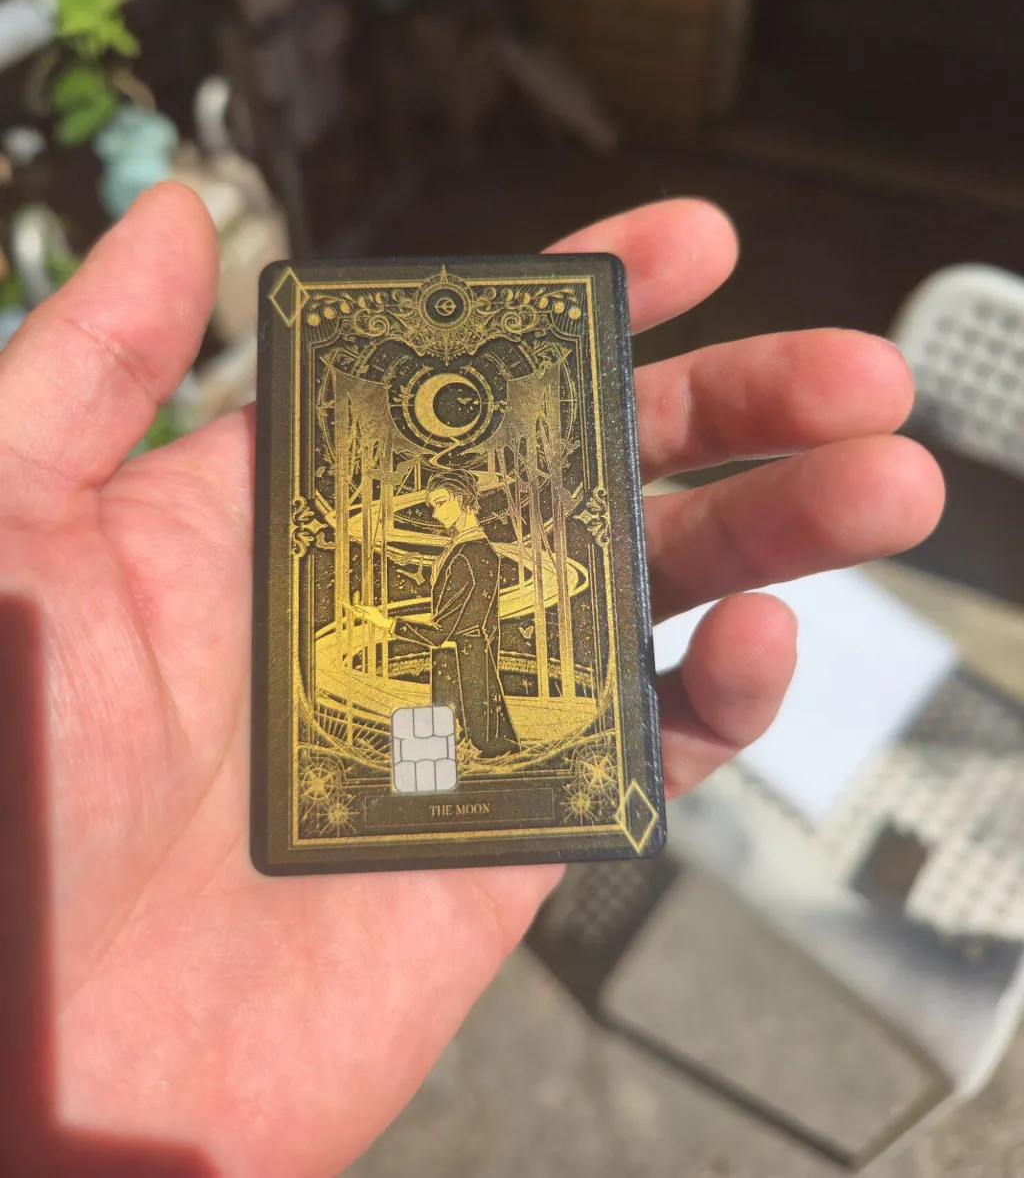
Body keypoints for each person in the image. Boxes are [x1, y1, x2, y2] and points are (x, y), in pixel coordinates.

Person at [0, 184, 944, 1176]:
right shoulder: (452, 541)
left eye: (449, 503)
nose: (443, 505)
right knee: (445, 730)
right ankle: (461, 761)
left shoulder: (475, 547)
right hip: (449, 658)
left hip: (463, 649)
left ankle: (463, 760)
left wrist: (430, 609)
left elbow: (482, 595)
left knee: (451, 726)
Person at [352, 468, 521, 756]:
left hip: (464, 666)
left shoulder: (468, 556)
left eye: (441, 502)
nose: (434, 513)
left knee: (478, 749)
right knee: (469, 750)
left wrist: (386, 622)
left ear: (463, 500)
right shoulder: (471, 550)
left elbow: (439, 632)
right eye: (432, 505)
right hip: (467, 658)